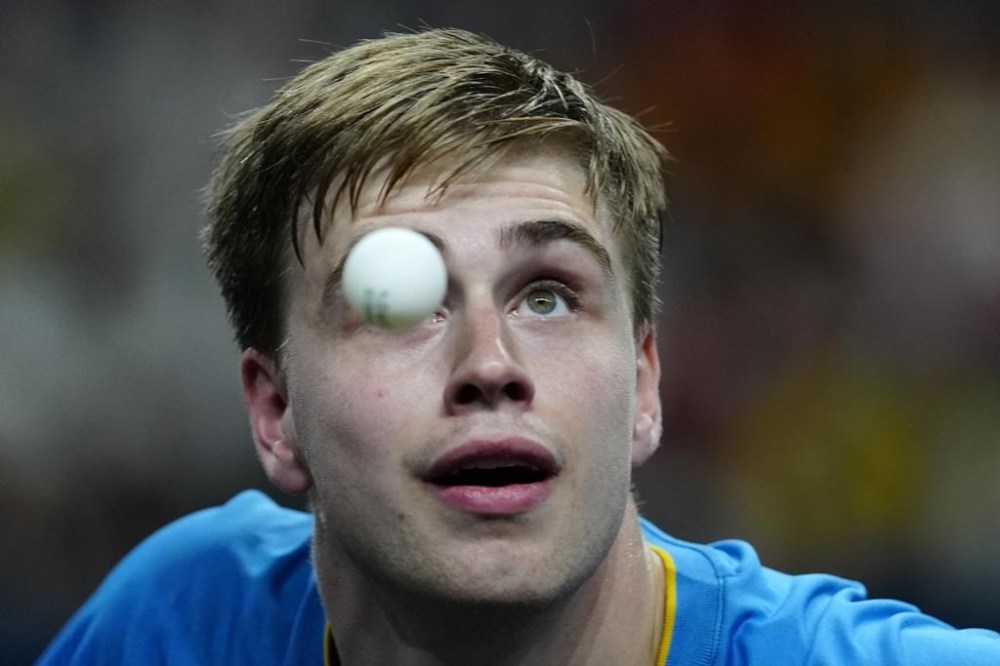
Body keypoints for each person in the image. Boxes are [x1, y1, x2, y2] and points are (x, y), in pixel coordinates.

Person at [38, 28, 998, 665]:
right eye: (393, 301)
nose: (489, 364)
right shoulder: (179, 624)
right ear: (274, 411)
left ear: (644, 381)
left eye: (548, 295)